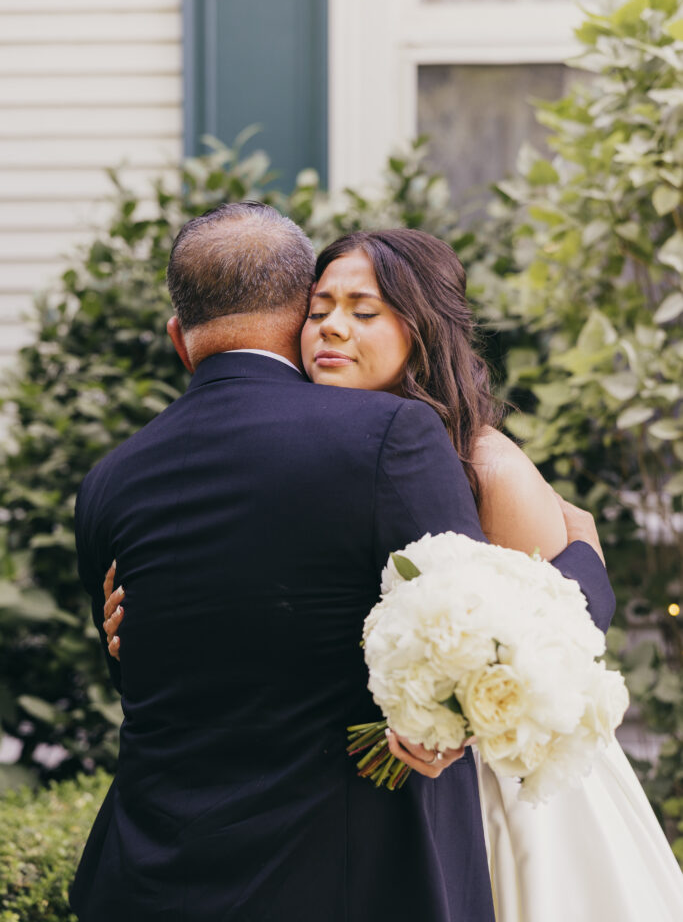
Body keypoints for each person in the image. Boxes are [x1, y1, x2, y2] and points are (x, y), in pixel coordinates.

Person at [73, 204, 615, 922]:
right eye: (323, 307)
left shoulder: (109, 479)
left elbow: (138, 675)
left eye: (362, 310)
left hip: (147, 877)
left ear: (178, 337)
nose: (333, 327)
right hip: (347, 877)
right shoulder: (393, 435)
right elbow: (484, 638)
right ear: (294, 312)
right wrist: (586, 562)